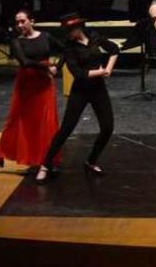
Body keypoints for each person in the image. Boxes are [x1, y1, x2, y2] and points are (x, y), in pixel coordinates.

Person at [36, 13, 119, 183]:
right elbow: (79, 74)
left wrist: (108, 69)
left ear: (78, 28)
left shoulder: (94, 36)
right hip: (80, 91)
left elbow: (114, 49)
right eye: (67, 31)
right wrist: (101, 72)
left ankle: (91, 161)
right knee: (66, 129)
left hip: (98, 89)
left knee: (108, 127)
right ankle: (45, 165)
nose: (69, 34)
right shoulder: (69, 48)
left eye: (71, 30)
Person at [0, 11, 63, 175]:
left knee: (46, 121)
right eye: (17, 23)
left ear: (32, 21)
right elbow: (25, 62)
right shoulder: (16, 41)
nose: (20, 25)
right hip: (26, 84)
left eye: (23, 21)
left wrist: (58, 66)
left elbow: (65, 50)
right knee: (16, 120)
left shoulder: (46, 37)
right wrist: (47, 67)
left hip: (44, 85)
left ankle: (48, 159)